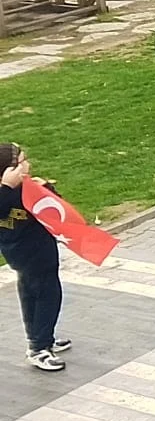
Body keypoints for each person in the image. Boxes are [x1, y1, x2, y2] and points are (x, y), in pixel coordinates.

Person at [0, 144, 70, 371]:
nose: (27, 165)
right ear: (8, 171)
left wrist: (46, 188)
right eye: (21, 162)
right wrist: (7, 187)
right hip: (32, 255)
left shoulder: (25, 188)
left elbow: (55, 207)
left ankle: (42, 337)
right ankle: (39, 348)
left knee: (31, 293)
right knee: (47, 297)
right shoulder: (10, 193)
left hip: (29, 254)